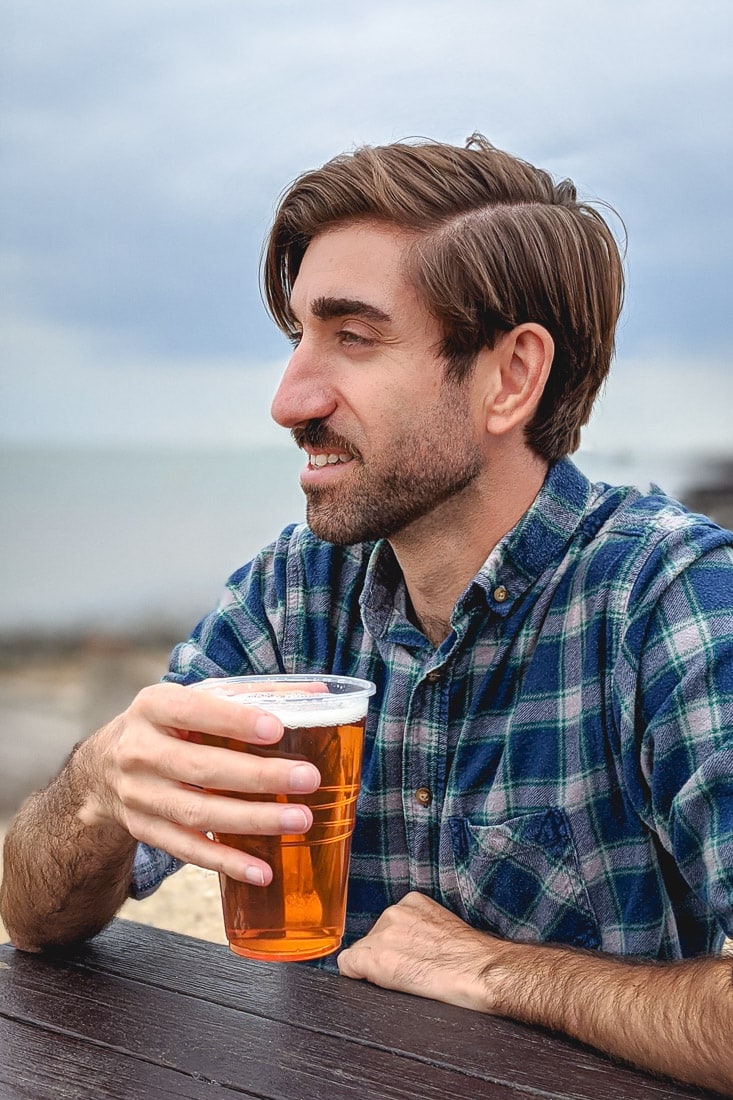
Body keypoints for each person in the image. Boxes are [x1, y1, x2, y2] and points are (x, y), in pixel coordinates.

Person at [2, 134, 733, 1094]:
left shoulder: (665, 602)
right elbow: (33, 915)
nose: (287, 398)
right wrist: (97, 787)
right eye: (298, 335)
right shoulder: (294, 591)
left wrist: (498, 971)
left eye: (353, 337)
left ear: (509, 377)